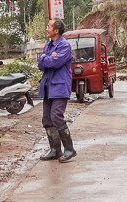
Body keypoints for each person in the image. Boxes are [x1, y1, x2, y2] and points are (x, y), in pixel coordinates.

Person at [36, 18, 76, 163]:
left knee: (56, 117)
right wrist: (46, 58)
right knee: (47, 119)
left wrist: (45, 59)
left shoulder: (64, 45)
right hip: (48, 87)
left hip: (59, 87)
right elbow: (40, 63)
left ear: (56, 30)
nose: (47, 29)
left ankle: (69, 149)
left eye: (49, 26)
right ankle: (55, 149)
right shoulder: (49, 45)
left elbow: (55, 62)